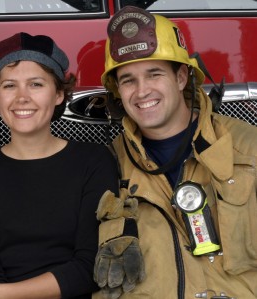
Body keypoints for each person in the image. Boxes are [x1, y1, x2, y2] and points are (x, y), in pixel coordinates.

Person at [93, 5, 257, 299]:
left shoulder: (249, 149)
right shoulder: (104, 167)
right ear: (118, 90)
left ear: (181, 77)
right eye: (128, 80)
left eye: (154, 74)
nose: (142, 91)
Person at [0, 32, 119, 299]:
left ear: (58, 94)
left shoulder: (94, 161)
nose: (22, 97)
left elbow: (91, 266)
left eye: (35, 84)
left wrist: (3, 294)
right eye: (9, 86)